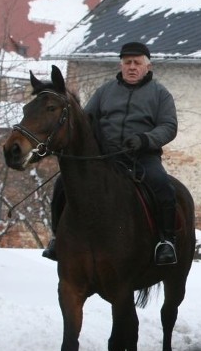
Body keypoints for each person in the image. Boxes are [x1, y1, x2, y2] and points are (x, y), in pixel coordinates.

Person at [43, 41, 180, 266]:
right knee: (62, 185)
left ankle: (166, 241)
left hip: (142, 156)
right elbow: (85, 120)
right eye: (127, 63)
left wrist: (145, 139)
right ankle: (58, 238)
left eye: (137, 63)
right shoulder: (105, 91)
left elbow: (168, 126)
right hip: (104, 157)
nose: (132, 67)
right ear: (121, 65)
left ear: (148, 66)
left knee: (163, 187)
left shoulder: (160, 94)